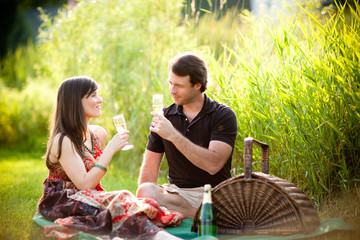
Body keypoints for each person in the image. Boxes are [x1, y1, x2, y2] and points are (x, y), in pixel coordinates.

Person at [37, 76, 183, 240]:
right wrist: (110, 150)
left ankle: (132, 234)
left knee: (139, 204)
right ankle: (158, 237)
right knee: (123, 198)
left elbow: (92, 183)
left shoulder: (98, 134)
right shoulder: (64, 140)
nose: (100, 99)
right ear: (75, 102)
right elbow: (84, 184)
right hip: (63, 199)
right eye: (93, 95)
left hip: (89, 196)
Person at [136, 53, 238, 219]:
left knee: (211, 202)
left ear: (197, 85)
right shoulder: (165, 117)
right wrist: (144, 207)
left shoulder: (222, 115)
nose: (172, 90)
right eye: (170, 83)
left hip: (213, 193)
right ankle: (195, 216)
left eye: (179, 85)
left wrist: (173, 135)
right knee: (146, 190)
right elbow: (148, 173)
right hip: (178, 196)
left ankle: (206, 214)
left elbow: (213, 164)